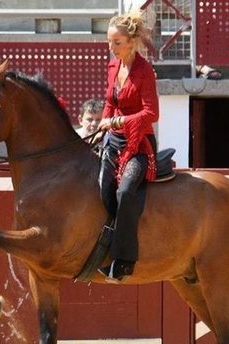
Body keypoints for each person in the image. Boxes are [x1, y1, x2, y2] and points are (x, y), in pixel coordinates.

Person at [97, 11, 159, 283]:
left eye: (117, 42)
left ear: (132, 42)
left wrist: (118, 120)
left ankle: (123, 261)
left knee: (125, 192)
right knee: (102, 187)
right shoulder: (113, 67)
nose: (112, 48)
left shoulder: (145, 71)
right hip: (114, 140)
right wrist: (103, 122)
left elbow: (151, 113)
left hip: (139, 144)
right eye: (110, 42)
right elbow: (111, 102)